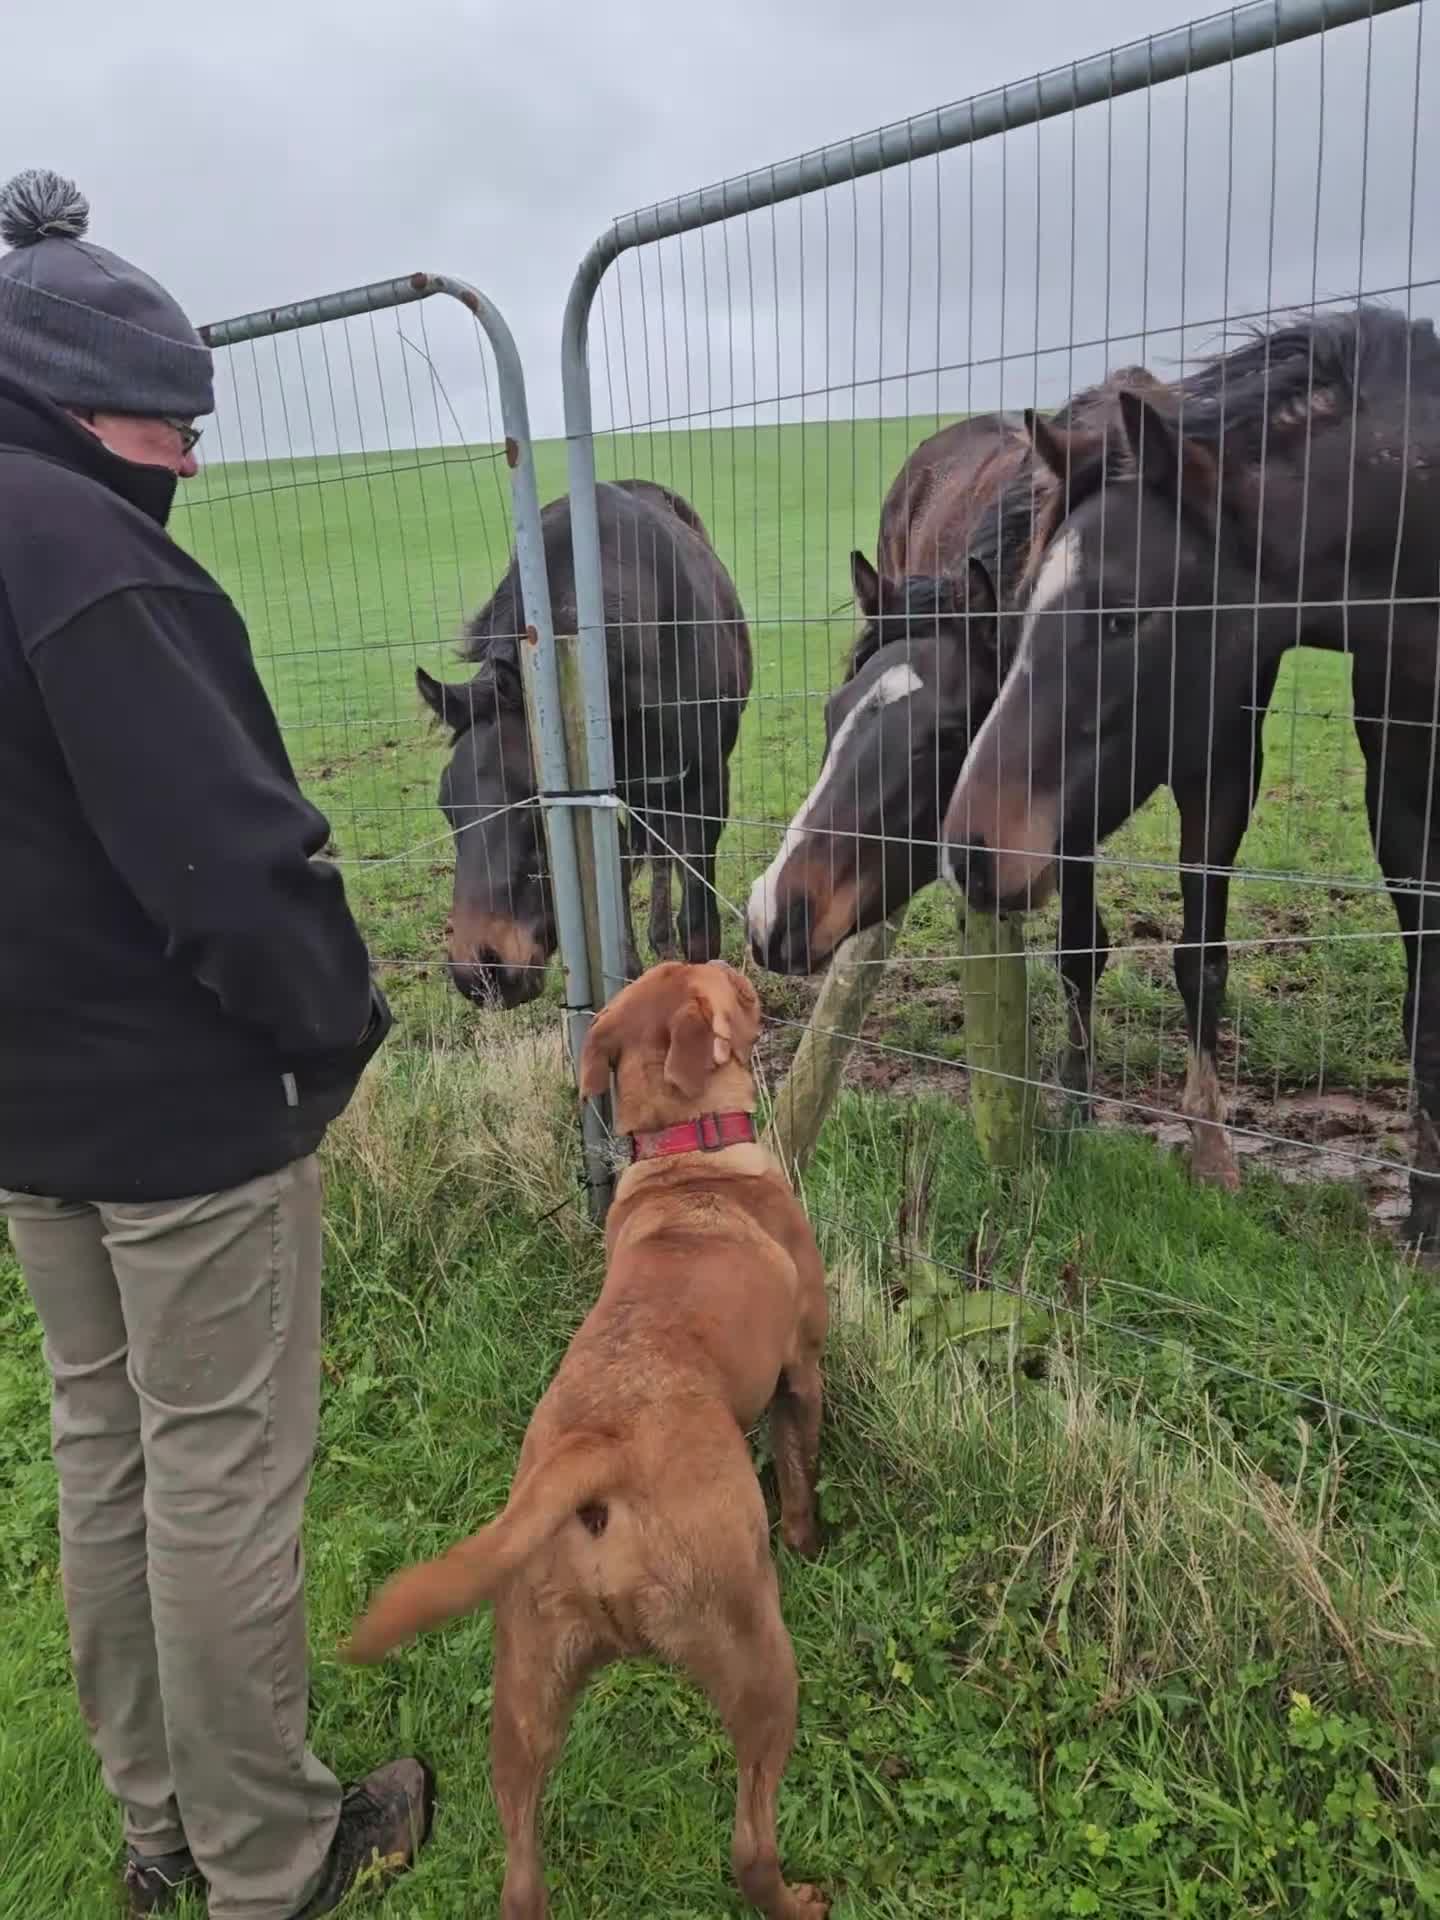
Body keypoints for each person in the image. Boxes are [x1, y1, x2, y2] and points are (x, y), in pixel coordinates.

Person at [0, 169, 434, 1918]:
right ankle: (272, 1857)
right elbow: (234, 872)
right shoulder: (89, 562)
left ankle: (160, 1828)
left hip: (31, 1118)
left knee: (105, 1450)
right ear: (73, 396)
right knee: (221, 1476)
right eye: (168, 421)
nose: (186, 459)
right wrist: (332, 1029)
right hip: (180, 1124)